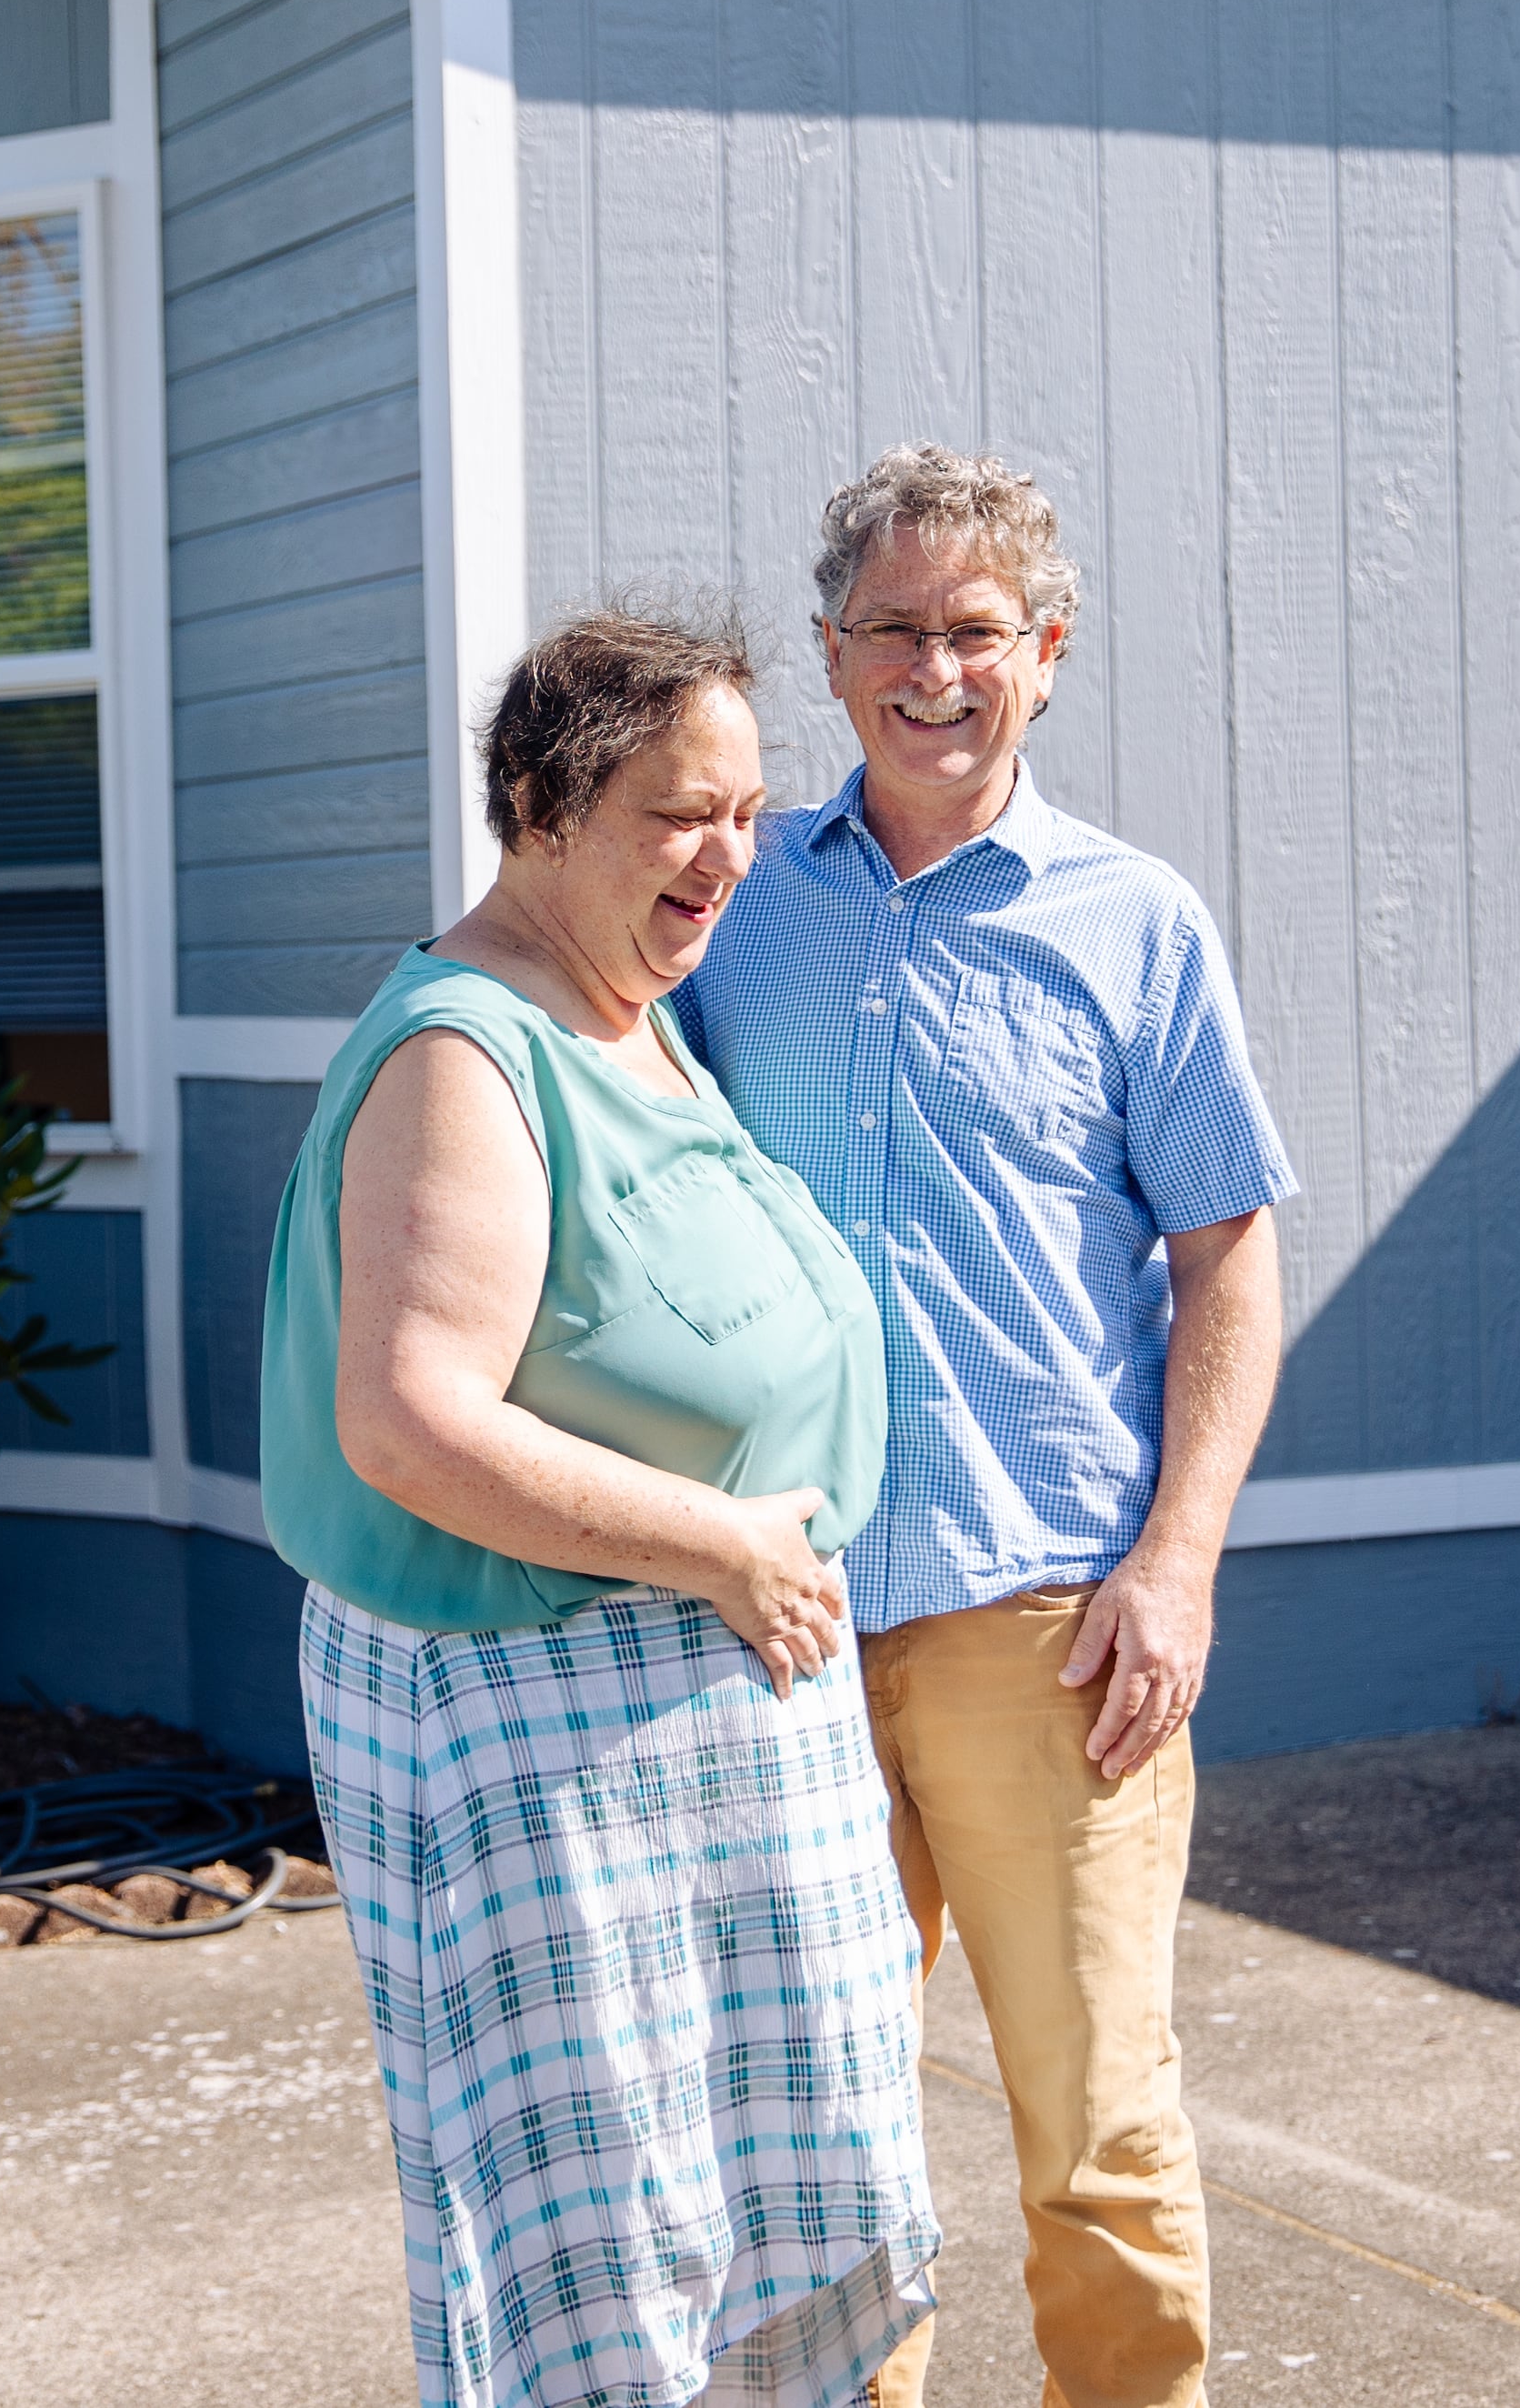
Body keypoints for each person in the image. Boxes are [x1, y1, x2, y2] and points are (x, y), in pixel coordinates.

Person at [262, 603, 944, 2408]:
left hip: (693, 1723)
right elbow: (409, 1422)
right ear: (535, 807)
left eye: (744, 806)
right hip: (548, 1731)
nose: (728, 850)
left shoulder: (619, 1005)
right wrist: (721, 1537)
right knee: (616, 2240)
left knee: (755, 2220)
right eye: (673, 812)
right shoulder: (463, 1052)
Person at [673, 448, 1297, 2408]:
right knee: (801, 2144)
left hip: (1051, 1622)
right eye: (890, 629)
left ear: (1046, 647)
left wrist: (1176, 1559)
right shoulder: (729, 897)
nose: (931, 668)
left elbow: (1227, 1256)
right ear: (827, 653)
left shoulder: (1135, 920)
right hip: (771, 1615)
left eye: (974, 630)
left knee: (1095, 2132)